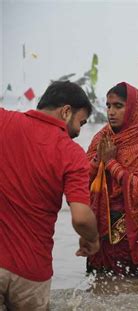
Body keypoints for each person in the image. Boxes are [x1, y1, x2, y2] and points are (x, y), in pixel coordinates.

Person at [0, 81, 99, 310]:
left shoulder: (4, 121)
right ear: (66, 111)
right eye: (80, 122)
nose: (77, 132)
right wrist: (91, 239)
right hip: (31, 272)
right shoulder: (72, 153)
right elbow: (82, 218)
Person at [86, 82, 138, 276]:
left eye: (118, 106)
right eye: (108, 106)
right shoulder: (102, 138)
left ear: (133, 108)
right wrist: (99, 160)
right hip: (102, 231)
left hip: (135, 233)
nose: (111, 112)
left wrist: (112, 163)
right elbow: (81, 178)